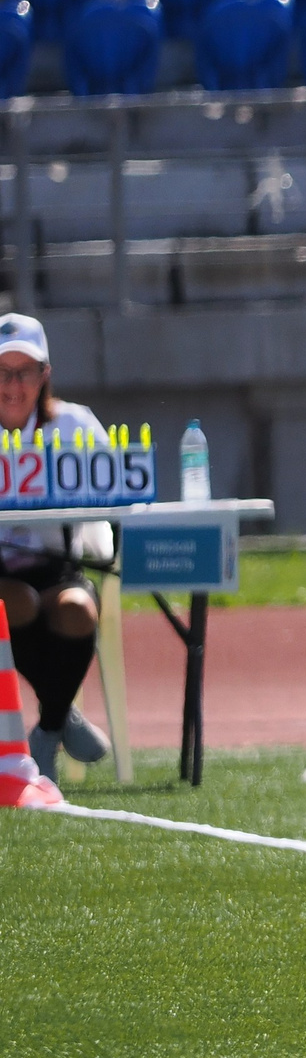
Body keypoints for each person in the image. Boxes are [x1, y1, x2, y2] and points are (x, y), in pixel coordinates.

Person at [0, 313, 115, 782]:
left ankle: (47, 729)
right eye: (3, 372)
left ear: (44, 375)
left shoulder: (75, 424)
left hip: (61, 567)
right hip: (4, 577)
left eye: (24, 372)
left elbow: (116, 491)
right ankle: (61, 714)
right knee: (17, 603)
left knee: (77, 610)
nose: (13, 385)